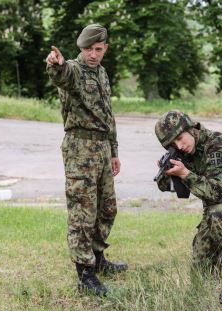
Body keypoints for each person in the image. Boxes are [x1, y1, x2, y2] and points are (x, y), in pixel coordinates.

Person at [45, 23, 127, 296]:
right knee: (83, 212)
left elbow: (108, 115)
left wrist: (114, 151)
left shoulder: (102, 73)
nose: (93, 54)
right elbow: (62, 76)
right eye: (88, 49)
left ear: (105, 49)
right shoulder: (74, 70)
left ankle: (98, 258)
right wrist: (55, 65)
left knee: (107, 208)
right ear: (80, 48)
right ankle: (84, 273)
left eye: (98, 49)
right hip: (80, 148)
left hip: (103, 149)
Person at [154, 110, 222, 303]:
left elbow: (216, 193)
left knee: (218, 212)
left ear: (190, 127)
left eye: (180, 138)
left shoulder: (218, 145)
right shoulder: (185, 153)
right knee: (201, 273)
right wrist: (166, 172)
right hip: (214, 215)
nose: (180, 145)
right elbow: (167, 189)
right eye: (172, 144)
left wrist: (185, 174)